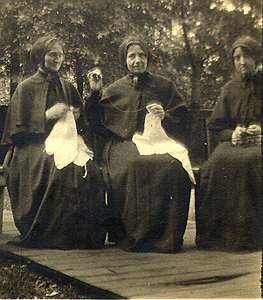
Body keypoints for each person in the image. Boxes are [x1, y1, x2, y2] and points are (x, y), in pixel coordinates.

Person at [85, 36, 194, 253]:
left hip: (158, 141)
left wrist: (166, 115)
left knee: (173, 166)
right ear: (124, 60)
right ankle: (135, 234)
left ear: (148, 58)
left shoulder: (165, 85)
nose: (137, 60)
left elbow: (183, 118)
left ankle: (168, 236)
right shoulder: (115, 89)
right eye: (131, 56)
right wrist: (95, 93)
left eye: (141, 55)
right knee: (135, 164)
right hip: (121, 144)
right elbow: (97, 124)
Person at [1, 36, 106, 249]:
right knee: (58, 167)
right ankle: (54, 234)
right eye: (52, 55)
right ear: (41, 57)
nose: (57, 59)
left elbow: (85, 126)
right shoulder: (25, 87)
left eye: (60, 55)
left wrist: (75, 117)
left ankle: (82, 235)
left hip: (66, 142)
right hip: (30, 148)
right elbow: (16, 133)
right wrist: (46, 116)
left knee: (90, 169)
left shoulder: (68, 88)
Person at [195, 36, 262, 251]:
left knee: (248, 162)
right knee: (213, 165)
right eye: (237, 57)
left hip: (259, 145)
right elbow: (216, 126)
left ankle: (247, 237)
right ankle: (216, 236)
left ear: (256, 57)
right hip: (234, 142)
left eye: (246, 56)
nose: (242, 62)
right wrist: (234, 132)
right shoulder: (229, 89)